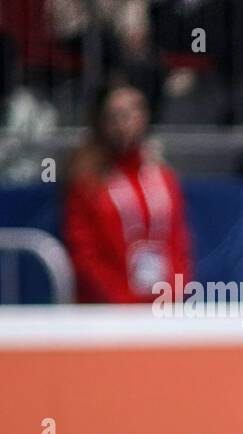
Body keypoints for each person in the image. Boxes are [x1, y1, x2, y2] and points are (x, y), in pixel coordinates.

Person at [62, 81, 192, 304]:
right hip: (109, 309)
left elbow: (178, 242)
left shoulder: (163, 177)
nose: (126, 121)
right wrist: (124, 302)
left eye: (134, 111)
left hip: (163, 306)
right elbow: (85, 254)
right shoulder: (88, 181)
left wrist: (173, 293)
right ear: (102, 122)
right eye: (117, 114)